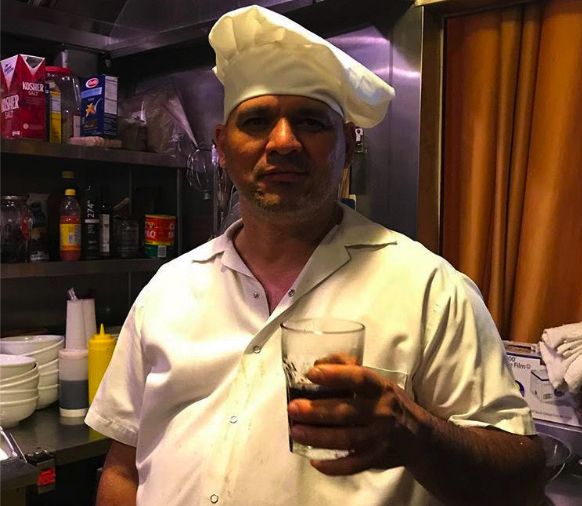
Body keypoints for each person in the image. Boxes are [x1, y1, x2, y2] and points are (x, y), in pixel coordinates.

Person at [87, 5, 545, 506]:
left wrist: (414, 432)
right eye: (257, 120)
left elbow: (520, 475)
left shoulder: (430, 291)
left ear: (348, 145)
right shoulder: (167, 292)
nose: (283, 142)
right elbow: (125, 467)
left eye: (309, 121)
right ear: (222, 145)